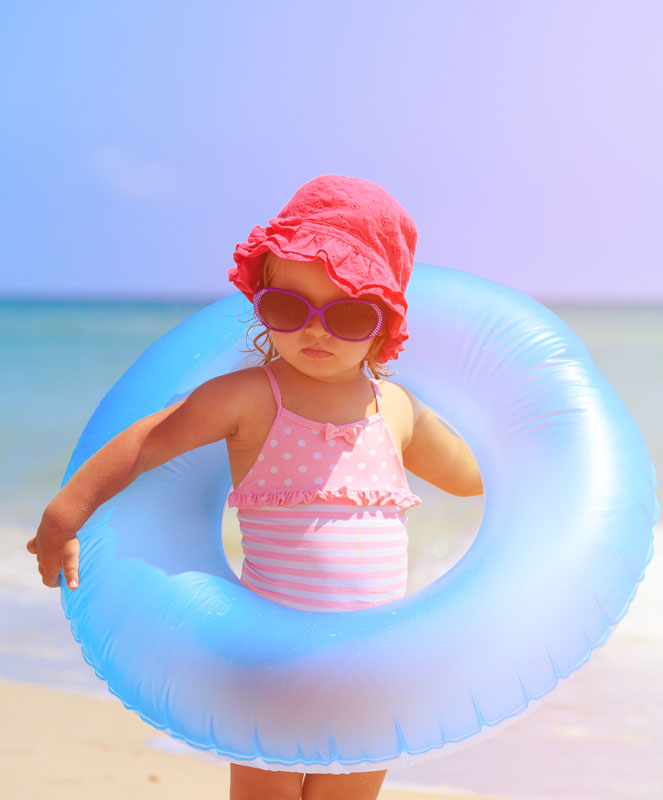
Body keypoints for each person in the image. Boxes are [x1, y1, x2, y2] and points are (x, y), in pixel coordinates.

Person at [26, 175, 483, 800]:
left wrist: (536, 459)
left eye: (346, 312)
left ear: (383, 322)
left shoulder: (396, 408)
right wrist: (65, 513)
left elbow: (468, 475)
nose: (315, 330)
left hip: (373, 662)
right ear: (262, 302)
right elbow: (149, 440)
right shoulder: (250, 398)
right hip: (273, 659)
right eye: (290, 308)